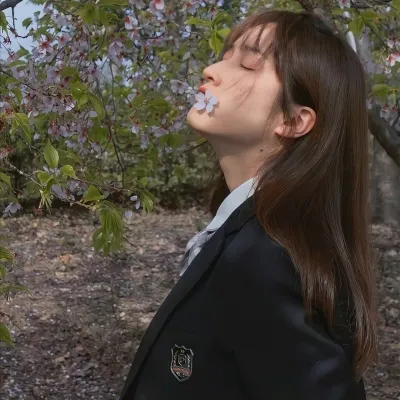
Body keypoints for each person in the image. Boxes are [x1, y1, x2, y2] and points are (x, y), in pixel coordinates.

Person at [119, 8, 379, 400]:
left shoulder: (268, 259)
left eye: (248, 64)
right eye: (225, 56)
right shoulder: (244, 239)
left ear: (293, 121)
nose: (210, 70)